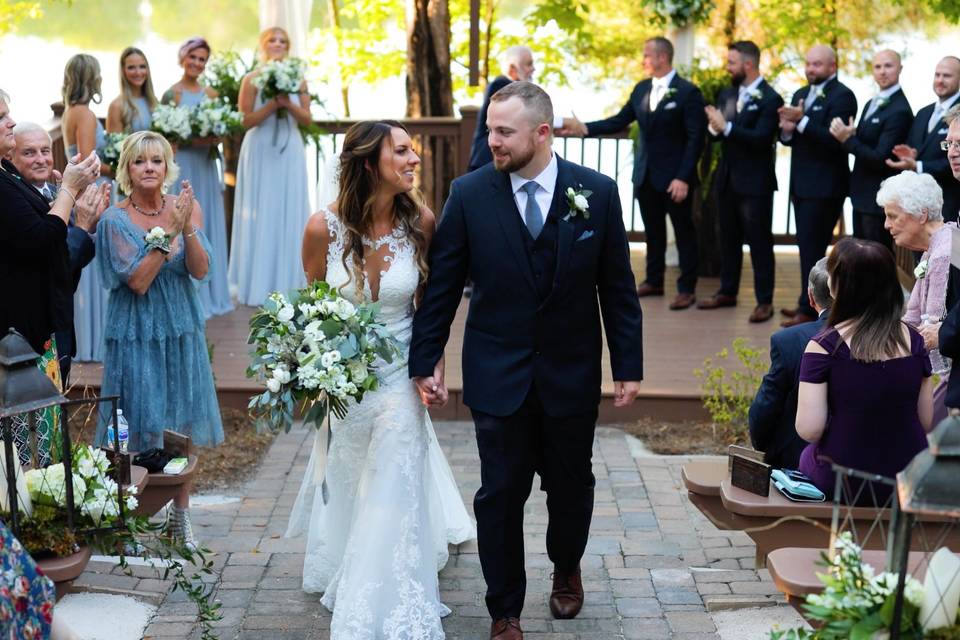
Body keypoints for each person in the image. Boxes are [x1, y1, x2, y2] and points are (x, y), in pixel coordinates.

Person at [410, 81, 644, 640]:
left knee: (570, 488)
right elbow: (442, 287)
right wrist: (427, 358)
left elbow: (617, 288)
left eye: (503, 132)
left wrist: (627, 364)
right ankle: (504, 611)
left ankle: (566, 568)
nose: (490, 140)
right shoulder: (468, 195)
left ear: (542, 133)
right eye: (489, 129)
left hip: (571, 372)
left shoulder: (598, 191)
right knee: (499, 494)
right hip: (497, 372)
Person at [285, 120, 475, 639]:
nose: (414, 159)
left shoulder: (423, 224)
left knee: (393, 469)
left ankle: (383, 594)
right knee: (352, 474)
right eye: (402, 151)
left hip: (400, 371)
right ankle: (352, 556)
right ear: (370, 163)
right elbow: (312, 309)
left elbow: (430, 310)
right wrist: (312, 369)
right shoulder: (322, 228)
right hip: (345, 380)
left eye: (414, 150)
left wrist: (433, 367)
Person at [97, 131, 223, 545]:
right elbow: (137, 281)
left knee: (180, 416)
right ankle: (127, 515)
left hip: (179, 326)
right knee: (131, 420)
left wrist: (186, 228)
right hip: (134, 330)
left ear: (168, 167)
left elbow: (201, 271)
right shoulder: (115, 220)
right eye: (139, 161)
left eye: (156, 160)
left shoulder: (186, 207)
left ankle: (180, 517)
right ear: (127, 170)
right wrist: (169, 230)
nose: (149, 168)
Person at [568, 36, 706, 310]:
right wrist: (585, 128)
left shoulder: (688, 92)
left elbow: (695, 138)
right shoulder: (641, 89)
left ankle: (686, 288)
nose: (643, 60)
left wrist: (683, 177)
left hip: (675, 178)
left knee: (684, 232)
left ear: (662, 58)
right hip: (645, 175)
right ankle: (654, 281)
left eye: (646, 55)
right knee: (652, 232)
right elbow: (620, 120)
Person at [0, 89, 99, 464]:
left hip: (43, 325)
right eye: (1, 117)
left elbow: (55, 263)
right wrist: (71, 194)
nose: (8, 121)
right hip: (18, 336)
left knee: (46, 441)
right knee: (25, 450)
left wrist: (65, 202)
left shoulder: (12, 181)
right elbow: (43, 241)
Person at [796, 237, 933, 496]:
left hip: (843, 478)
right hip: (908, 476)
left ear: (837, 286)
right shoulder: (915, 340)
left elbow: (809, 428)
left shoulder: (824, 345)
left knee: (804, 457)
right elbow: (925, 420)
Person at [11, 121, 110, 384]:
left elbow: (66, 273)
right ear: (10, 157)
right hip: (32, 336)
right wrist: (83, 227)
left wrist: (81, 221)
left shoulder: (54, 195)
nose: (41, 159)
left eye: (45, 150)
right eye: (29, 152)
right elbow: (54, 261)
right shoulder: (15, 201)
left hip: (60, 326)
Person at [699, 41, 783, 323]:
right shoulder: (727, 93)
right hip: (727, 179)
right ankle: (727, 291)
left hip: (755, 182)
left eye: (732, 62)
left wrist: (728, 127)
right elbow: (718, 135)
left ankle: (764, 301)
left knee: (759, 242)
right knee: (728, 239)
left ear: (748, 64)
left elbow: (761, 139)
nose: (728, 67)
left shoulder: (771, 98)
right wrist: (713, 128)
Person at [228, 26, 313, 306]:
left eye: (282, 41)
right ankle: (257, 283)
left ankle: (290, 282)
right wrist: (272, 105)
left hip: (289, 150)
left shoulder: (297, 78)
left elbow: (307, 119)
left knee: (288, 210)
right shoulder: (251, 78)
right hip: (260, 149)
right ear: (263, 45)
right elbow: (245, 120)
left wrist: (287, 104)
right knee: (261, 209)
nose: (277, 44)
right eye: (272, 40)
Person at [778, 45, 857, 327]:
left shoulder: (843, 96)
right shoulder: (800, 94)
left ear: (832, 67)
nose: (811, 69)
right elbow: (790, 135)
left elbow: (834, 140)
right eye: (808, 64)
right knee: (805, 247)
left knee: (814, 249)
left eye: (817, 64)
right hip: (800, 183)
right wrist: (786, 131)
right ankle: (805, 301)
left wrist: (801, 122)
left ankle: (813, 309)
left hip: (825, 185)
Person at [162, 37, 234, 318]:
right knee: (183, 220)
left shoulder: (212, 95)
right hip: (183, 165)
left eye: (202, 59)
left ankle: (212, 291)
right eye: (193, 57)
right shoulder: (172, 94)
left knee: (208, 223)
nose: (197, 63)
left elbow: (221, 133)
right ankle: (186, 290)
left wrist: (214, 137)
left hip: (205, 164)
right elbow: (165, 135)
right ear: (183, 58)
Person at [878, 171, 956, 423]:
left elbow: (931, 336)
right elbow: (912, 320)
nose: (886, 225)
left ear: (921, 214)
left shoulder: (944, 254)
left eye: (893, 216)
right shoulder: (938, 244)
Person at [748, 257, 831, 470]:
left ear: (811, 298)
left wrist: (766, 450)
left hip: (796, 462)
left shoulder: (790, 341)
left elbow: (765, 408)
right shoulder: (891, 340)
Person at [830, 50, 912, 255]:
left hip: (878, 200)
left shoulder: (900, 110)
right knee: (860, 258)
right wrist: (853, 135)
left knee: (875, 260)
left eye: (888, 66)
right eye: (878, 67)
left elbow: (880, 158)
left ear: (900, 69)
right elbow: (867, 141)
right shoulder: (870, 103)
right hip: (861, 195)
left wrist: (847, 140)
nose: (883, 72)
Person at [62, 53, 110, 362]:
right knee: (95, 264)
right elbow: (90, 161)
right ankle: (95, 343)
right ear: (92, 78)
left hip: (78, 191)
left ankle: (90, 337)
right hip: (91, 192)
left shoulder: (70, 111)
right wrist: (121, 165)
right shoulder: (86, 115)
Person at [467, 46, 566, 173]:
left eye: (504, 131)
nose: (533, 69)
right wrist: (564, 122)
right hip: (487, 164)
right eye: (528, 64)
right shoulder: (502, 86)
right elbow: (529, 116)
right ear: (512, 69)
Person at [887, 57, 960, 222]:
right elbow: (916, 147)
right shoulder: (923, 113)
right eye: (937, 75)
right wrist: (911, 156)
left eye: (947, 76)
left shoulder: (959, 115)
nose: (940, 80)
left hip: (951, 203)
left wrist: (918, 165)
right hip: (920, 206)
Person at [106, 47, 158, 133]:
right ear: (123, 71)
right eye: (131, 68)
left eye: (142, 67)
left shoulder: (153, 101)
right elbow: (114, 145)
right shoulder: (116, 106)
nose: (138, 72)